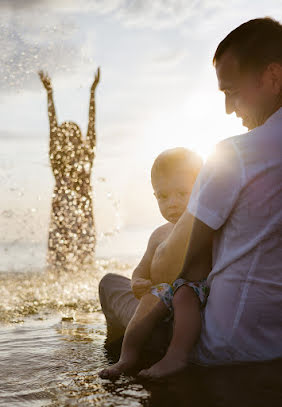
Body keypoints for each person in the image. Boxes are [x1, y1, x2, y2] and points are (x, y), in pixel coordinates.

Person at [100, 16, 282, 380]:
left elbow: (169, 267)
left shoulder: (237, 155)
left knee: (110, 285)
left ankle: (126, 355)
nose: (229, 108)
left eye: (231, 91)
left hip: (224, 344)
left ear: (273, 78)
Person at [99, 148, 203, 378]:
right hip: (162, 295)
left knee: (184, 295)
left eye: (182, 193)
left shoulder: (203, 228)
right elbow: (142, 267)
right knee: (148, 300)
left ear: (199, 190)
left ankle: (177, 356)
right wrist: (137, 280)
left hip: (193, 293)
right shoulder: (158, 234)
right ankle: (128, 356)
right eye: (163, 197)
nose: (172, 203)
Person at [38, 68, 100, 271]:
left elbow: (92, 124)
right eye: (64, 136)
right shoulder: (57, 163)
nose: (67, 139)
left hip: (84, 217)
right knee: (57, 264)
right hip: (60, 219)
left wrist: (92, 92)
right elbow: (51, 124)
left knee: (85, 261)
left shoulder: (86, 160)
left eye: (71, 134)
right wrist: (49, 93)